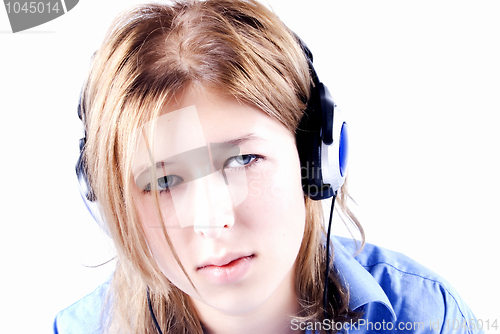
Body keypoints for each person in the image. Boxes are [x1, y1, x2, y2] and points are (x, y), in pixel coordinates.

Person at [54, 0, 483, 333]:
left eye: (242, 160)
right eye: (165, 180)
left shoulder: (427, 317)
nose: (214, 221)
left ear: (316, 159)